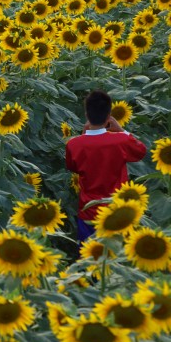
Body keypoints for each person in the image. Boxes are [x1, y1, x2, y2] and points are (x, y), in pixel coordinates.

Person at [65, 89, 146, 243]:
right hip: (116, 210)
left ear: (87, 115)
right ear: (109, 117)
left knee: (89, 256)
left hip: (88, 210)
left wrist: (83, 134)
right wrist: (121, 130)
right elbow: (140, 151)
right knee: (116, 257)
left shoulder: (74, 144)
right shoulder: (120, 141)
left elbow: (72, 166)